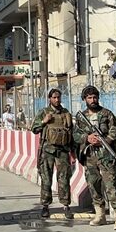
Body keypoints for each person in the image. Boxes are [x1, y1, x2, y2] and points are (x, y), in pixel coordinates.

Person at [74, 85, 116, 229]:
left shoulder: (106, 114)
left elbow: (114, 131)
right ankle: (100, 214)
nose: (93, 100)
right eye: (89, 97)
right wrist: (88, 138)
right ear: (85, 99)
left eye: (95, 97)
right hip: (90, 156)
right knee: (93, 185)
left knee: (111, 186)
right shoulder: (81, 117)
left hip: (105, 156)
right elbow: (76, 135)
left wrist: (105, 140)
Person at [31, 88, 75, 219]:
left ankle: (66, 205)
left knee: (64, 179)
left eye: (58, 97)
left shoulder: (66, 113)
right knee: (46, 179)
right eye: (54, 97)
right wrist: (44, 121)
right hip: (47, 151)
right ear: (49, 98)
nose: (57, 100)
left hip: (62, 151)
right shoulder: (44, 112)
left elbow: (71, 133)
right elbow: (34, 129)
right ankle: (45, 206)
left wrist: (73, 152)